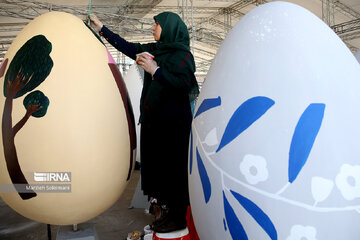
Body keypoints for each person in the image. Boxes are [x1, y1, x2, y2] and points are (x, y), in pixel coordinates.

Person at [89, 12, 199, 233]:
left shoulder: (182, 56)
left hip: (174, 128)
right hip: (154, 124)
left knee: (173, 172)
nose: (153, 28)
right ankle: (163, 213)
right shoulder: (154, 50)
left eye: (157, 25)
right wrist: (101, 28)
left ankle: (177, 217)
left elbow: (184, 86)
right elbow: (128, 47)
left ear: (168, 28)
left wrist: (155, 71)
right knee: (157, 171)